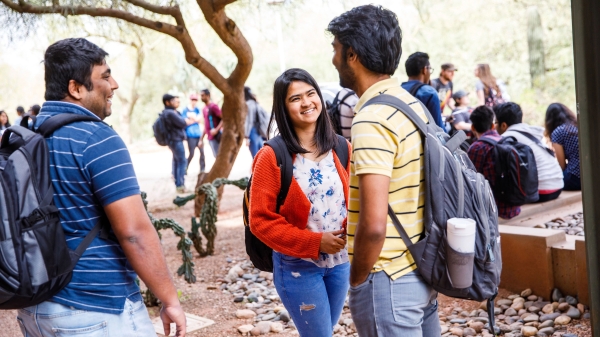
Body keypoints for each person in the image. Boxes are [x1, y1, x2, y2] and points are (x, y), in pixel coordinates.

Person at [18, 38, 186, 337]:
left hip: (36, 308)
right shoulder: (96, 138)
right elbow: (134, 232)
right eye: (105, 76)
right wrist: (170, 299)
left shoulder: (27, 136)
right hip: (96, 311)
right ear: (76, 88)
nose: (115, 84)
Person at [328, 5, 440, 336]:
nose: (332, 58)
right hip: (422, 268)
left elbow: (374, 225)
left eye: (335, 49)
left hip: (388, 281)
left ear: (352, 54)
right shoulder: (409, 104)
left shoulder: (372, 118)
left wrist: (359, 278)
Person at [249, 68, 351, 337]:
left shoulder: (342, 147)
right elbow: (260, 221)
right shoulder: (272, 156)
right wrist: (315, 243)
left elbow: (355, 199)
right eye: (295, 98)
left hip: (341, 262)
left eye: (311, 94)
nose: (306, 103)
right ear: (283, 108)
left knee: (324, 331)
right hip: (297, 267)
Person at [495, 102, 564, 202]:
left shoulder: (507, 137)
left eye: (496, 123)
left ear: (504, 125)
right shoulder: (530, 132)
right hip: (558, 185)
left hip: (541, 191)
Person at [467, 105, 521, 219]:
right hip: (514, 207)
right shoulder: (507, 141)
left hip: (493, 211)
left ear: (472, 127)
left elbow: (470, 182)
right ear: (492, 125)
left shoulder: (476, 148)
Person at [401, 52, 445, 130]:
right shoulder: (429, 93)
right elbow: (438, 128)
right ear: (424, 70)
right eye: (430, 69)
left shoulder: (398, 90)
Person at [545, 103, 581, 191]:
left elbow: (562, 165)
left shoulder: (558, 132)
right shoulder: (578, 126)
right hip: (590, 175)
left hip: (576, 178)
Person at [162, 94, 187, 193]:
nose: (175, 102)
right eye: (172, 100)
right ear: (167, 102)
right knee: (182, 161)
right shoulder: (170, 113)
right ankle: (180, 184)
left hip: (172, 141)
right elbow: (182, 123)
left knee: (177, 161)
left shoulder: (167, 112)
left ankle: (178, 185)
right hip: (176, 140)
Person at [182, 93, 206, 173]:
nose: (194, 101)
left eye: (195, 100)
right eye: (193, 100)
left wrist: (191, 118)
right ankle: (185, 168)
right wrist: (194, 120)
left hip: (198, 134)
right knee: (191, 153)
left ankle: (202, 169)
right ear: (190, 100)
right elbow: (185, 122)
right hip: (190, 135)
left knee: (202, 152)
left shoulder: (197, 109)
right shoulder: (185, 110)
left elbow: (199, 119)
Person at [244, 86, 265, 158]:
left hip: (252, 132)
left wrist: (246, 136)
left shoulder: (247, 105)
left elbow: (248, 121)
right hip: (259, 131)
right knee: (261, 154)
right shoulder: (255, 103)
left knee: (255, 156)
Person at [200, 89, 222, 157]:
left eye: (203, 95)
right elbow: (205, 125)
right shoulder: (204, 109)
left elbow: (223, 119)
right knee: (216, 156)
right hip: (210, 137)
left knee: (219, 157)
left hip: (216, 137)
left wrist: (216, 130)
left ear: (208, 96)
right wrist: (201, 139)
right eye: (201, 96)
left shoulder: (213, 106)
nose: (201, 97)